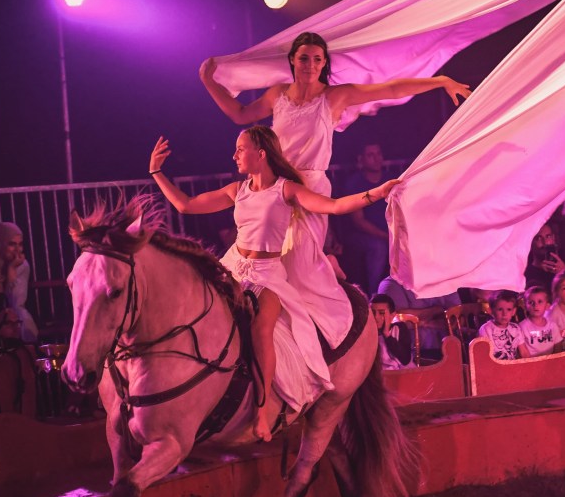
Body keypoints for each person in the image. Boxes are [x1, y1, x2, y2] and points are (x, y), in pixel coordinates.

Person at [200, 32, 470, 347]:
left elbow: (391, 88)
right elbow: (240, 114)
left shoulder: (334, 96)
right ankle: (279, 319)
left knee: (298, 266)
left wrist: (439, 81)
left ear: (324, 63)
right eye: (304, 58)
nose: (310, 64)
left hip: (310, 188)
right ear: (293, 60)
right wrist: (209, 81)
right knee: (267, 262)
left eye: (317, 59)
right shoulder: (278, 94)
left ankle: (323, 316)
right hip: (276, 186)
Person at [147, 126, 398, 441]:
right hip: (233, 268)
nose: (234, 155)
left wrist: (377, 193)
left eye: (241, 149)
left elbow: (333, 206)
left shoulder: (285, 190)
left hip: (266, 275)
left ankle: (262, 410)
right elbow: (186, 205)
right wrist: (156, 172)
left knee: (262, 327)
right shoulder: (237, 190)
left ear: (261, 153)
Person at [335, 144, 396, 293]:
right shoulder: (355, 183)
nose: (376, 158)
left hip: (389, 230)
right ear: (361, 159)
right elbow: (359, 221)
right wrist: (386, 236)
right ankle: (375, 295)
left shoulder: (389, 179)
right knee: (378, 247)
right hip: (362, 235)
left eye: (378, 153)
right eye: (370, 155)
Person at [0, 221, 38, 343]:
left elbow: (15, 302)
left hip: (11, 316)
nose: (17, 250)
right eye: (12, 244)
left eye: (20, 244)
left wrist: (12, 269)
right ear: (1, 243)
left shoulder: (21, 265)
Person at [369, 294, 416, 370]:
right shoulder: (367, 331)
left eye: (381, 313)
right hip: (380, 373)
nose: (376, 317)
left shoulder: (399, 328)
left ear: (392, 315)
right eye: (373, 312)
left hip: (402, 372)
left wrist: (387, 335)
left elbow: (405, 360)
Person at [477, 290, 527, 360]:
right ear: (491, 311)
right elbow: (483, 356)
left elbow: (524, 353)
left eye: (508, 309)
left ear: (513, 311)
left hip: (513, 365)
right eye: (500, 309)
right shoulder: (485, 329)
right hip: (494, 365)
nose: (504, 314)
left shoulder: (516, 328)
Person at [518, 285, 562, 357]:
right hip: (532, 362)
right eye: (531, 302)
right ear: (525, 306)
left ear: (547, 306)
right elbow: (523, 353)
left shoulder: (553, 326)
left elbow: (558, 348)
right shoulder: (521, 327)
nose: (535, 305)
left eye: (540, 301)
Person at [524, 223, 565, 292]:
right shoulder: (526, 275)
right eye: (538, 238)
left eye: (548, 236)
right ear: (531, 241)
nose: (545, 242)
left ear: (553, 238)